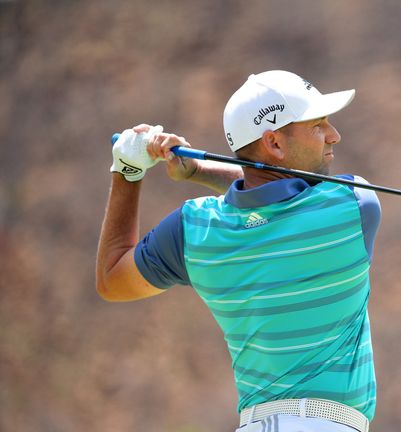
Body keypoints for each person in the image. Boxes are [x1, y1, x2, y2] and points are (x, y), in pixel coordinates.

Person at [96, 70, 381, 432]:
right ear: (274, 143)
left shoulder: (194, 230)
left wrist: (127, 169)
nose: (334, 136)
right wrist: (199, 171)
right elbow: (284, 192)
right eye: (318, 125)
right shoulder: (352, 204)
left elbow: (112, 278)